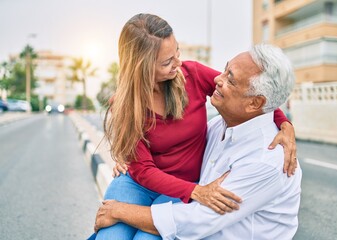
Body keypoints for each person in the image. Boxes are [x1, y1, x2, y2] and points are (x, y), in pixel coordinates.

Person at [91, 13, 298, 240]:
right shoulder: (124, 105)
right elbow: (143, 170)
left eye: (177, 52)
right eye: (167, 62)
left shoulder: (192, 75)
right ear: (141, 68)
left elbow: (255, 99)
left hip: (179, 190)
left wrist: (285, 124)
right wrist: (197, 191)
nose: (178, 63)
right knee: (110, 237)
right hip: (138, 183)